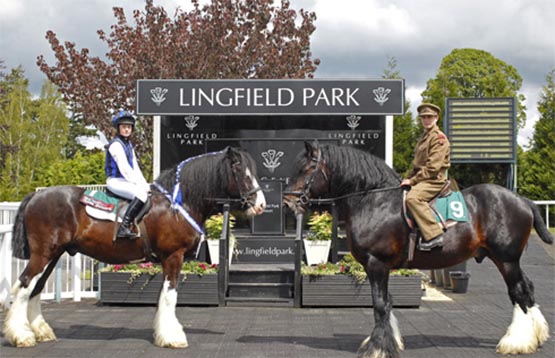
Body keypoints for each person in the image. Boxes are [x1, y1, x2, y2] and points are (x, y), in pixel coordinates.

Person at [400, 103, 450, 251]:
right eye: (423, 117)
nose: (426, 120)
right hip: (423, 178)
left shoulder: (439, 139)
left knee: (412, 198)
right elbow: (416, 165)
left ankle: (434, 235)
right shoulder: (424, 138)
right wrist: (406, 178)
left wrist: (413, 180)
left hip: (433, 180)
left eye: (430, 117)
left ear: (436, 118)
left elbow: (432, 168)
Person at [105, 110, 150, 239]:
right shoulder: (116, 145)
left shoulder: (129, 145)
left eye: (129, 127)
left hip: (124, 181)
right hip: (115, 181)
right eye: (124, 127)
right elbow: (125, 169)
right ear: (118, 128)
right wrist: (140, 186)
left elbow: (135, 168)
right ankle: (123, 227)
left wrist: (145, 184)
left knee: (145, 191)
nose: (127, 129)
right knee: (141, 194)